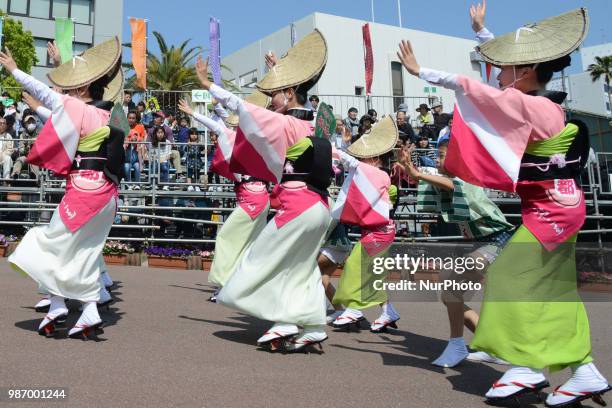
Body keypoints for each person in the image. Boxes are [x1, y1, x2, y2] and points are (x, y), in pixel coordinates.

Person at [397, 7, 610, 407]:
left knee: (510, 279)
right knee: (554, 292)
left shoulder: (535, 107)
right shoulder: (537, 100)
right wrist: (482, 33)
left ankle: (526, 366)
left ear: (526, 70)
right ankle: (584, 371)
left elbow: (482, 91)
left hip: (552, 210)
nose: (498, 71)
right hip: (558, 206)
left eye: (508, 67)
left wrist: (422, 72)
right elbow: (500, 83)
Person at [202, 30, 333, 352]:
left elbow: (242, 109)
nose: (270, 100)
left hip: (298, 207)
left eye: (276, 93)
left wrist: (207, 85)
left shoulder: (287, 124)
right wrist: (278, 71)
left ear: (289, 94)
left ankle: (285, 320)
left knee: (258, 259)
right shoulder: (315, 123)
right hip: (319, 207)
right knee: (298, 267)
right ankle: (314, 323)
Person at [3, 37, 125, 339]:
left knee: (41, 242)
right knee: (81, 253)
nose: (67, 91)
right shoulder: (109, 113)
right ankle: (88, 310)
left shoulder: (77, 107)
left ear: (83, 89)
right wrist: (60, 69)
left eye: (73, 86)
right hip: (107, 196)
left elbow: (49, 95)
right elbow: (64, 111)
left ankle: (58, 304)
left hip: (84, 190)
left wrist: (15, 70)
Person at [401, 137, 513, 367]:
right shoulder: (447, 178)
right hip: (479, 242)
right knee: (450, 295)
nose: (439, 159)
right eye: (439, 155)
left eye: (443, 156)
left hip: (497, 239)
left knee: (450, 281)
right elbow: (435, 182)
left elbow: (452, 186)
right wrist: (407, 167)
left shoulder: (467, 177)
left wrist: (417, 173)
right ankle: (492, 345)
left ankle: (457, 344)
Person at [177, 94, 271, 300]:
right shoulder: (257, 141)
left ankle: (225, 285)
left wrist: (194, 113)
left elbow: (218, 125)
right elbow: (223, 122)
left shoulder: (234, 138)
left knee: (225, 238)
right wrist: (217, 106)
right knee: (248, 244)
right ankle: (247, 284)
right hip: (261, 197)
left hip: (251, 199)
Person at [330, 116, 401, 333]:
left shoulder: (376, 174)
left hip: (379, 232)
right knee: (370, 274)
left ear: (374, 157)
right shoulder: (376, 174)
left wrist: (331, 144)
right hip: (378, 231)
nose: (361, 159)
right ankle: (389, 311)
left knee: (355, 267)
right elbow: (350, 163)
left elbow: (349, 162)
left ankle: (354, 309)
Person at [11, 110, 41, 179]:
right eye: (29, 122)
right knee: (20, 159)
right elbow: (21, 150)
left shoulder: (40, 134)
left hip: (37, 157)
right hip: (26, 156)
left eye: (32, 122)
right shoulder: (23, 135)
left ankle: (35, 178)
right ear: (25, 124)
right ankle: (14, 175)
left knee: (34, 161)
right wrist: (25, 149)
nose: (31, 123)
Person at [124, 111, 146, 189]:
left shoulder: (140, 127)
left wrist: (143, 159)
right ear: (127, 119)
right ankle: (128, 184)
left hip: (136, 153)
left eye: (133, 118)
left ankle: (138, 184)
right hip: (127, 154)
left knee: (137, 167)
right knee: (126, 167)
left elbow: (142, 142)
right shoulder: (124, 128)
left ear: (136, 119)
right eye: (129, 118)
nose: (131, 120)